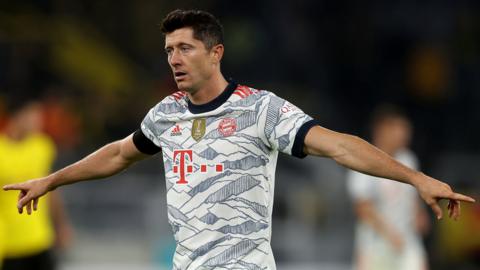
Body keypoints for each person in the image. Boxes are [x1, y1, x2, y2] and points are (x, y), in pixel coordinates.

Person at [3, 10, 474, 270]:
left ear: (216, 52)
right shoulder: (166, 114)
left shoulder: (259, 109)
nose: (174, 59)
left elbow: (339, 144)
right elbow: (119, 153)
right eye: (169, 50)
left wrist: (415, 178)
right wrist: (53, 180)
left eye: (185, 47)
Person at [347, 106, 430, 270]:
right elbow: (363, 209)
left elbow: (412, 195)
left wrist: (420, 213)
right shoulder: (364, 161)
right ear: (382, 130)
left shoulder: (408, 159)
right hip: (376, 244)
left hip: (406, 240)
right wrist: (389, 234)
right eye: (398, 130)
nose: (404, 135)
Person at [0, 99, 72, 270]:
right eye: (33, 116)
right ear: (17, 117)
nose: (38, 121)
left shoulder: (42, 146)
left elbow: (51, 190)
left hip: (41, 239)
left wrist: (61, 225)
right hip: (9, 243)